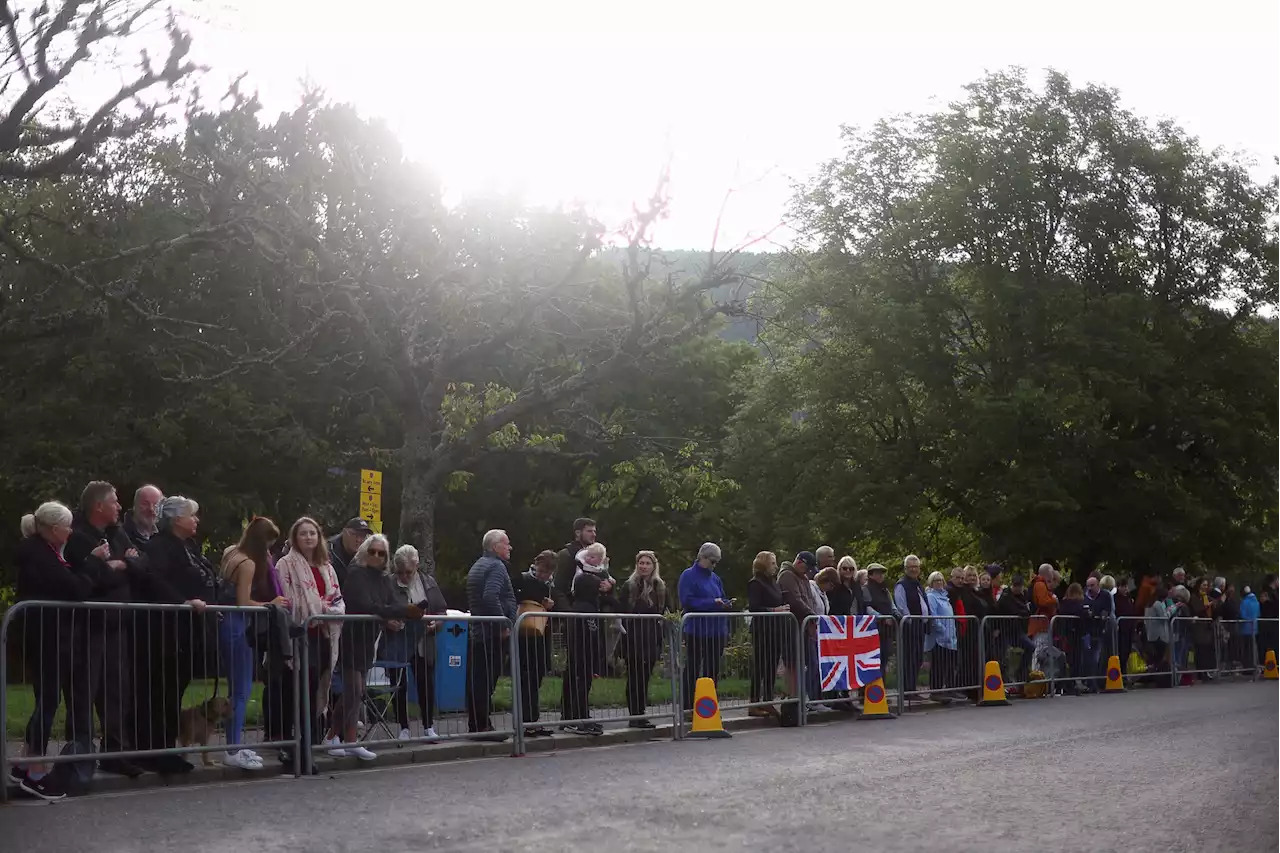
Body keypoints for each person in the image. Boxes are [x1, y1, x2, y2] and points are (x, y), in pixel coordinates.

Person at [63, 481, 148, 778]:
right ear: (98, 506)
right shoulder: (77, 534)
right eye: (114, 502)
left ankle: (115, 752)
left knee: (117, 690)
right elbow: (90, 577)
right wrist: (114, 568)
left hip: (117, 625)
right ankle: (79, 753)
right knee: (84, 690)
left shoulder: (117, 532)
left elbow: (142, 565)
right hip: (88, 626)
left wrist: (118, 565)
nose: (118, 507)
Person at [323, 533, 421, 760]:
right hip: (351, 636)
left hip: (369, 638)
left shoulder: (383, 579)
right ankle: (335, 737)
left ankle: (344, 739)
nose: (376, 556)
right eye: (373, 551)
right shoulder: (356, 574)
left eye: (381, 553)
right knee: (353, 690)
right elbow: (368, 605)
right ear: (365, 552)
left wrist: (409, 608)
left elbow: (390, 603)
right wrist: (404, 610)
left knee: (357, 692)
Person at [13, 502, 86, 801]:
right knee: (48, 699)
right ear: (54, 529)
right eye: (67, 526)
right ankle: (35, 770)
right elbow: (74, 588)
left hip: (47, 634)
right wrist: (93, 566)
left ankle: (27, 762)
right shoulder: (39, 554)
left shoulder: (44, 552)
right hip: (45, 635)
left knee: (47, 698)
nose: (70, 532)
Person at [137, 495, 215, 774]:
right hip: (165, 632)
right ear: (175, 519)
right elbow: (153, 579)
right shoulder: (159, 546)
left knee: (173, 693)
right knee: (162, 694)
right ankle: (158, 750)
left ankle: (167, 749)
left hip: (184, 632)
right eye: (191, 515)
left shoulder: (187, 547)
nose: (195, 520)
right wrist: (181, 601)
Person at [272, 517, 345, 761]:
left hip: (322, 635)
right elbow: (290, 599)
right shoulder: (285, 564)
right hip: (299, 636)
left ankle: (310, 743)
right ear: (295, 537)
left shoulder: (327, 566)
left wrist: (322, 609)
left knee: (317, 688)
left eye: (312, 533)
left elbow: (337, 599)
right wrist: (318, 609)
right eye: (303, 533)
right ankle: (292, 744)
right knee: (298, 689)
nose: (308, 537)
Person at [218, 516, 288, 770]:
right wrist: (272, 604)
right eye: (269, 543)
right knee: (241, 689)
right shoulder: (247, 563)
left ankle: (233, 744)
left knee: (238, 687)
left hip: (229, 624)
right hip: (237, 627)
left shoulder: (231, 554)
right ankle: (233, 748)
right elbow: (243, 601)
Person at [387, 544, 449, 742]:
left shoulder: (428, 582)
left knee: (426, 683)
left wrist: (436, 623)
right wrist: (388, 621)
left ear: (416, 566)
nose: (404, 577)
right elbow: (380, 610)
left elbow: (441, 610)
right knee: (399, 684)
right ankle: (403, 726)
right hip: (398, 641)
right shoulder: (388, 584)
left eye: (408, 572)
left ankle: (428, 726)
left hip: (423, 640)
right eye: (400, 573)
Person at [465, 529, 517, 740]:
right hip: (491, 632)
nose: (510, 547)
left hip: (479, 631)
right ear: (495, 546)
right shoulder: (496, 566)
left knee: (478, 679)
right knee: (486, 680)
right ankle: (482, 726)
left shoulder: (478, 564)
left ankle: (477, 724)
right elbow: (490, 596)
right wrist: (503, 622)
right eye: (506, 544)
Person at [560, 542, 615, 735]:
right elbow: (592, 635)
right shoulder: (586, 609)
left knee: (580, 683)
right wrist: (597, 657)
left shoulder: (586, 607)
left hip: (583, 654)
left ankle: (579, 716)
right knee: (579, 684)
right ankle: (578, 718)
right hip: (582, 655)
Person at [677, 542, 732, 713]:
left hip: (716, 630)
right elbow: (687, 600)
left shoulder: (715, 578)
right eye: (712, 561)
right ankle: (688, 706)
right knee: (693, 667)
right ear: (702, 557)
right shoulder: (688, 575)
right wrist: (711, 603)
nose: (714, 565)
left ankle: (708, 707)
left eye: (717, 562)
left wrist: (726, 604)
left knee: (712, 669)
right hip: (697, 629)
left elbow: (721, 596)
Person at [617, 550, 667, 729]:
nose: (644, 566)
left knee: (645, 677)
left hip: (651, 637)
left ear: (654, 566)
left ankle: (641, 713)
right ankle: (634, 714)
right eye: (641, 563)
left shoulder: (659, 587)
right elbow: (622, 610)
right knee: (634, 676)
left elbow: (664, 612)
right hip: (632, 637)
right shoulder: (630, 586)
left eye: (647, 563)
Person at [511, 550, 557, 738]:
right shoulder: (523, 579)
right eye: (541, 570)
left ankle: (533, 719)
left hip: (541, 632)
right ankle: (525, 719)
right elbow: (513, 598)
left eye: (546, 572)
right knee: (526, 676)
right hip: (525, 633)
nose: (542, 575)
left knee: (536, 675)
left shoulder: (551, 586)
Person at [777, 551, 820, 725]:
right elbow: (795, 600)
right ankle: (792, 698)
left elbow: (808, 599)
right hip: (792, 626)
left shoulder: (802, 577)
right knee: (793, 664)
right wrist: (811, 615)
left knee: (805, 663)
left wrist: (811, 617)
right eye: (807, 567)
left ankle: (800, 697)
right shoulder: (787, 575)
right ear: (799, 562)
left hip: (804, 625)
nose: (808, 572)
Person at [746, 551, 789, 719]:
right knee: (760, 666)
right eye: (772, 563)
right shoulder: (755, 583)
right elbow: (754, 607)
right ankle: (754, 702)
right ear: (764, 564)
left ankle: (768, 699)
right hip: (762, 630)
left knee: (771, 666)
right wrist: (774, 610)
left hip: (776, 629)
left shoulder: (774, 582)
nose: (775, 566)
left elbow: (778, 598)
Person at [894, 555, 930, 699]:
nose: (914, 569)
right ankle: (906, 691)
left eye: (916, 567)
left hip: (920, 627)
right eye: (911, 567)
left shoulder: (918, 584)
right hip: (909, 627)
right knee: (908, 659)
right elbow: (902, 606)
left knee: (917, 659)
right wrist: (910, 622)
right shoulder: (901, 585)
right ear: (906, 568)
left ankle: (912, 689)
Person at [925, 571, 958, 701]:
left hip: (950, 636)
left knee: (949, 664)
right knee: (938, 665)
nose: (939, 583)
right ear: (931, 583)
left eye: (940, 580)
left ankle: (949, 689)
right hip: (939, 637)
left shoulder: (945, 597)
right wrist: (941, 629)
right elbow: (933, 615)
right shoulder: (931, 596)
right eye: (936, 580)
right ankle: (936, 691)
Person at [553, 517, 597, 610]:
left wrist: (607, 586)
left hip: (593, 609)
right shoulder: (566, 554)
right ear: (578, 533)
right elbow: (558, 587)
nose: (593, 534)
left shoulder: (596, 555)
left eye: (594, 531)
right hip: (572, 608)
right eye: (589, 531)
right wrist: (568, 612)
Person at [1056, 583, 1090, 695]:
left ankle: (1066, 685)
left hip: (1064, 635)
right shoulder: (1077, 605)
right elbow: (1082, 614)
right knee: (1075, 660)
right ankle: (1071, 684)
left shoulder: (1063, 603)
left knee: (1067, 660)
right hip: (1074, 635)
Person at [328, 518, 372, 586]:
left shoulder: (369, 553)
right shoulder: (329, 551)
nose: (359, 540)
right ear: (344, 532)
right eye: (355, 535)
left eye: (363, 536)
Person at [1189, 577, 1216, 681]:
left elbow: (1213, 610)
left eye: (1206, 585)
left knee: (1207, 651)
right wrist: (1206, 606)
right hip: (1199, 627)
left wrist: (1214, 605)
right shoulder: (1194, 597)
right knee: (1200, 651)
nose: (1205, 587)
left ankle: (1207, 672)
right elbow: (1197, 609)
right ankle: (1200, 672)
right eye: (1203, 585)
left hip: (1207, 626)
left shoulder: (1207, 597)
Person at [122, 484, 163, 550]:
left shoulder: (164, 535)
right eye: (145, 504)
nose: (151, 509)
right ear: (135, 505)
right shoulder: (122, 536)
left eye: (156, 505)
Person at [1144, 584, 1172, 675]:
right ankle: (1158, 675)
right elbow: (1164, 617)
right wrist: (1171, 610)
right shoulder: (1158, 604)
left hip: (1151, 633)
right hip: (1159, 635)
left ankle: (1153, 673)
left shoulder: (1149, 604)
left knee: (1154, 656)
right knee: (1159, 656)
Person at [1237, 585, 1259, 671]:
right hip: (1255, 628)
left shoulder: (1244, 602)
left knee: (1246, 650)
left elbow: (1242, 615)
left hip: (1245, 629)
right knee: (1253, 649)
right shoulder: (1256, 602)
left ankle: (1247, 668)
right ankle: (1254, 666)